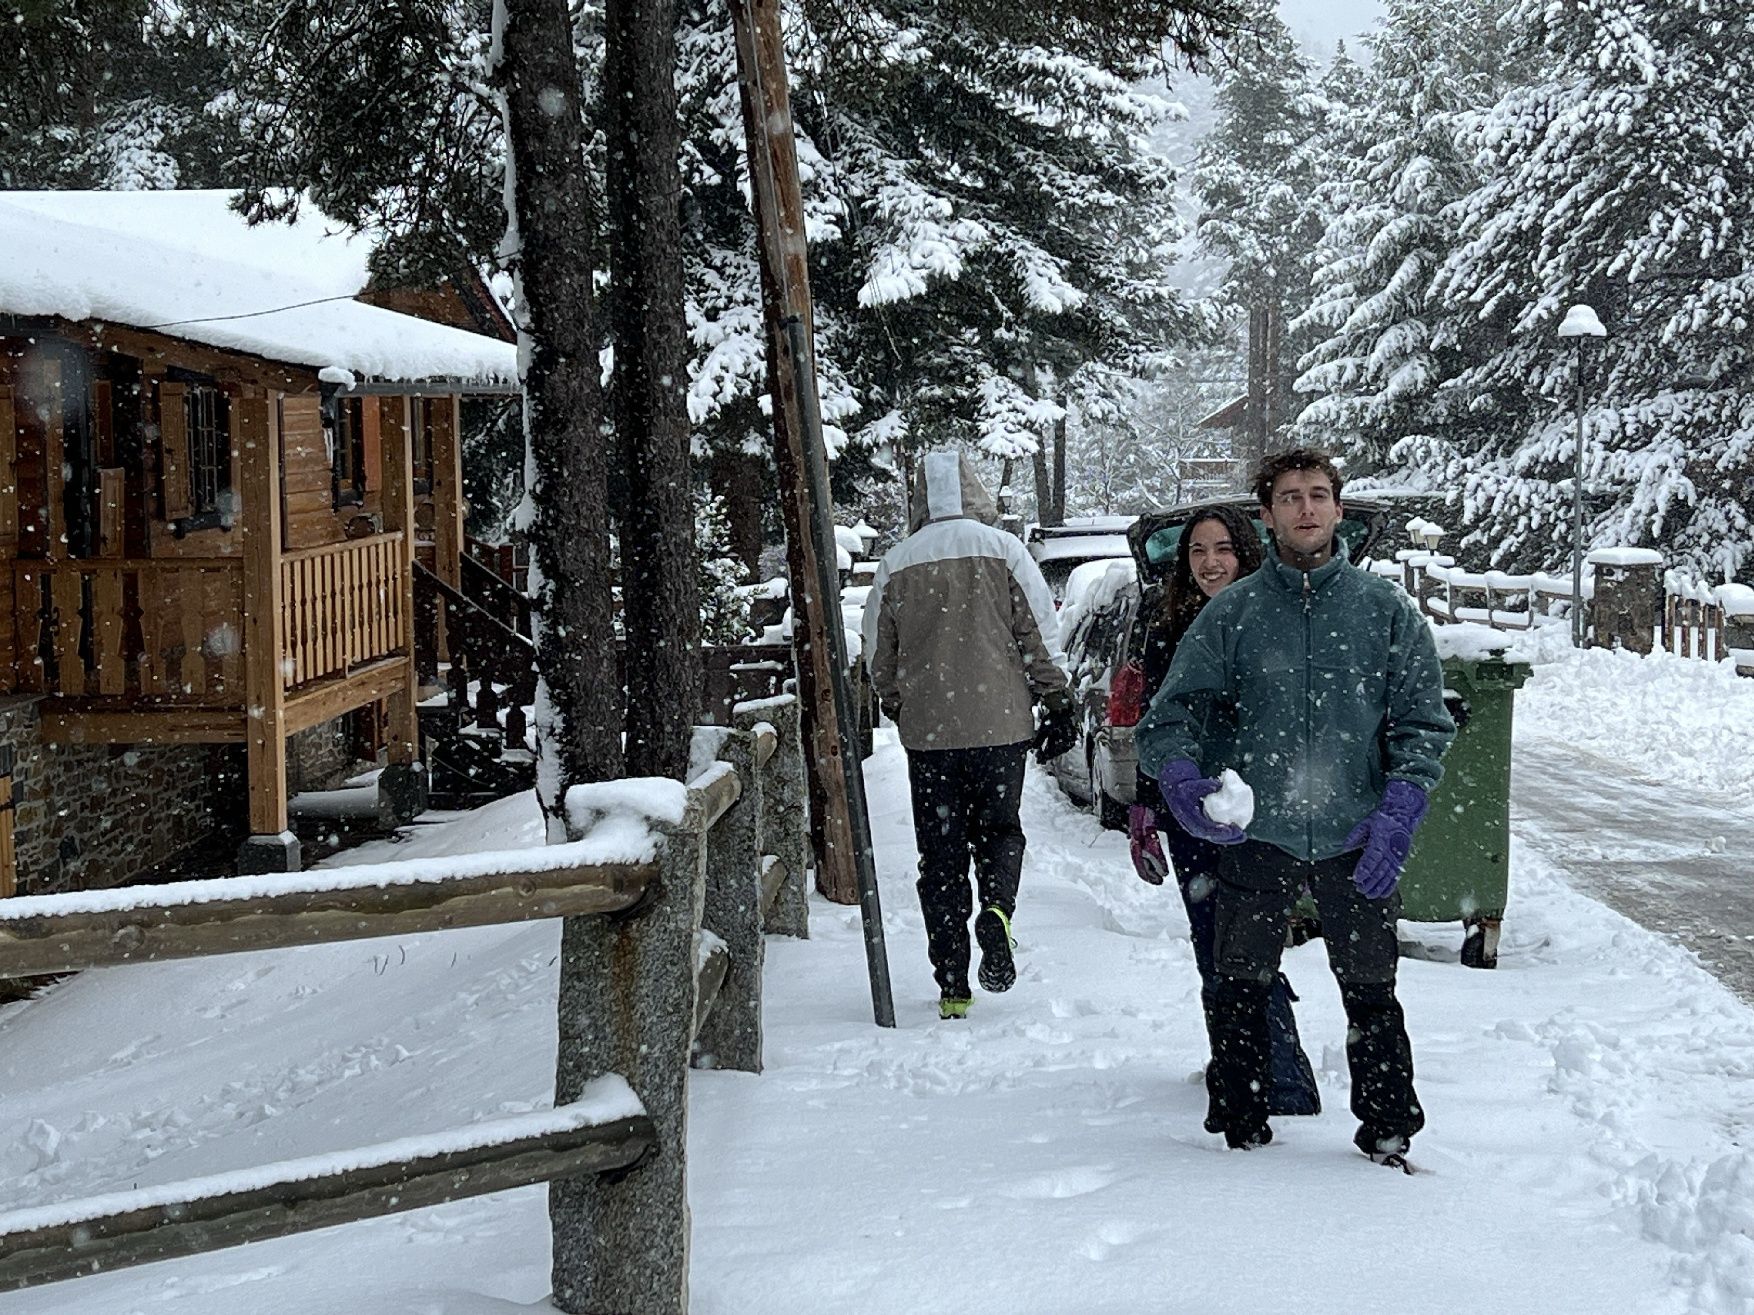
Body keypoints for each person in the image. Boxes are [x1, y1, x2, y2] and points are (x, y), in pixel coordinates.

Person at [1137, 448, 1455, 1170]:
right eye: (1290, 496)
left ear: (1338, 509)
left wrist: (1399, 806)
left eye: (1318, 495)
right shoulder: (1236, 615)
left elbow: (1423, 723)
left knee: (1372, 989)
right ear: (1269, 513)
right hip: (1260, 831)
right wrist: (1184, 782)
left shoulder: (1384, 612)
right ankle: (1243, 1127)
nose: (1305, 508)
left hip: (1356, 829)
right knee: (1240, 984)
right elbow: (1168, 717)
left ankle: (1387, 1129)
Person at [1123, 504, 1320, 1121]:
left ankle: (1278, 1076)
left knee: (1248, 945)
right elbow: (1156, 726)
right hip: (1192, 810)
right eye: (1198, 552)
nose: (1210, 563)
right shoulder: (1167, 626)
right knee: (1213, 940)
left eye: (1222, 549)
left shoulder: (1276, 618)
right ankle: (1238, 1064)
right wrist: (1148, 805)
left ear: (1245, 552)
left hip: (1260, 811)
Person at [862, 450, 1075, 1020]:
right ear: (974, 492)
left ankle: (952, 982)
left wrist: (899, 703)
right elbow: (1038, 631)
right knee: (1001, 831)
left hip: (931, 737)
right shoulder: (1004, 551)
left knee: (940, 855)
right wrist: (1055, 697)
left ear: (920, 500)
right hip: (1002, 728)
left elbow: (878, 654)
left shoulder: (897, 563)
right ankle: (998, 908)